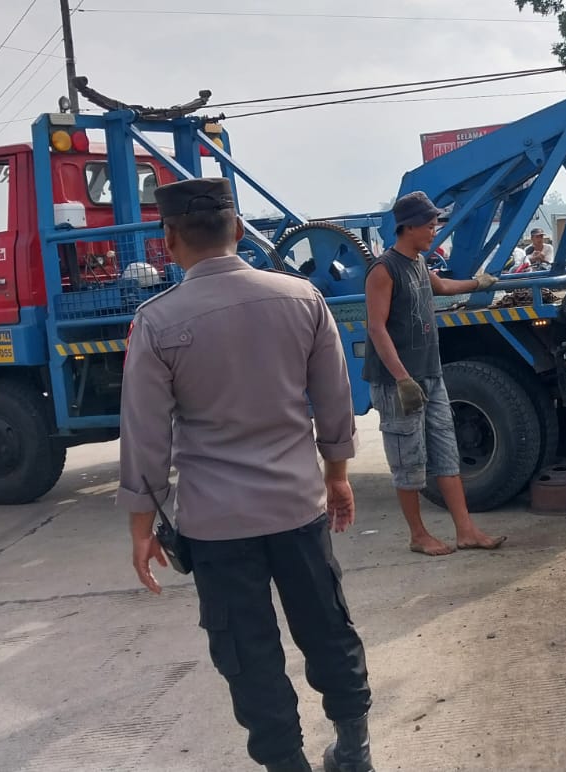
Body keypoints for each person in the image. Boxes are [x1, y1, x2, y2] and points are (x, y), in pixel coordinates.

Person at [119, 178, 374, 772]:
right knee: (327, 625)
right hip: (297, 506)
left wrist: (141, 526)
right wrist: (336, 474)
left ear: (168, 239)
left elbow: (146, 437)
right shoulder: (302, 298)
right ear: (238, 230)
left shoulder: (156, 323)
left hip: (215, 526)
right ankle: (356, 750)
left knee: (248, 653)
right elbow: (334, 400)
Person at [364, 192, 505, 557]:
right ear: (407, 227)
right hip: (399, 382)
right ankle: (418, 535)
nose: (433, 229)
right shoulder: (384, 269)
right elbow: (377, 328)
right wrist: (401, 379)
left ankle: (466, 530)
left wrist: (479, 284)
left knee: (446, 451)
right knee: (407, 459)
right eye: (428, 225)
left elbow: (441, 287)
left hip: (429, 374)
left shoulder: (417, 263)